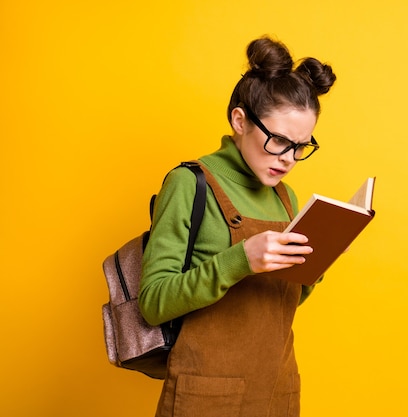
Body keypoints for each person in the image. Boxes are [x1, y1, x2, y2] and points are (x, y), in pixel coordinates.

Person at [138, 36, 337, 417]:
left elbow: (282, 301)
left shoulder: (286, 197)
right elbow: (153, 303)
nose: (289, 158)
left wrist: (317, 266)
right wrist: (240, 259)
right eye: (279, 140)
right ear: (240, 120)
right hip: (205, 395)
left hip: (277, 390)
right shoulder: (189, 183)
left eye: (300, 146)